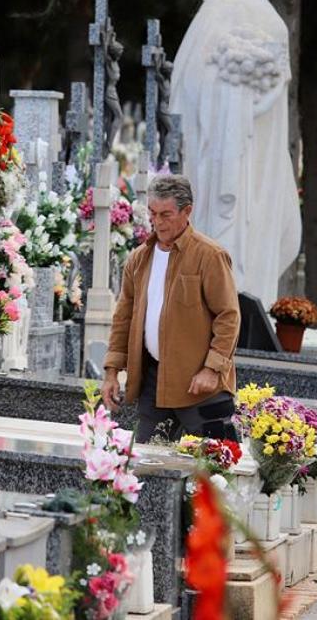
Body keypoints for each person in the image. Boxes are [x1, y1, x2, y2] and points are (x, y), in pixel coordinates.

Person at [169, 0, 301, 308]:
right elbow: (189, 80)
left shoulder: (261, 8)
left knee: (262, 233)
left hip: (263, 151)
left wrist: (262, 88)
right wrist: (239, 96)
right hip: (230, 150)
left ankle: (248, 306)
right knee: (233, 237)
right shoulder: (223, 6)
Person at [101, 174, 240, 443]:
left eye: (166, 214)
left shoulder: (210, 256)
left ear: (187, 211)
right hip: (154, 383)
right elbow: (124, 319)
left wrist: (212, 369)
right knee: (143, 469)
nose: (158, 222)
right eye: (153, 213)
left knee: (215, 471)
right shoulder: (139, 258)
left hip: (202, 386)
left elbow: (229, 316)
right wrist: (111, 372)